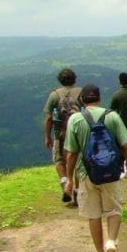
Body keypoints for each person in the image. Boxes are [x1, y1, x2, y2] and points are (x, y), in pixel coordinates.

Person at [64, 84, 127, 252]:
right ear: (99, 98)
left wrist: (69, 179)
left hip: (87, 174)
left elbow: (70, 153)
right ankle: (111, 242)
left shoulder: (75, 120)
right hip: (111, 173)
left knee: (93, 215)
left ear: (82, 100)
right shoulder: (111, 116)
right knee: (114, 210)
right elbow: (126, 145)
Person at [42, 68, 81, 203]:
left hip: (60, 133)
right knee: (78, 163)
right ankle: (77, 191)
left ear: (60, 80)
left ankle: (65, 184)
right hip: (78, 134)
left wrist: (47, 136)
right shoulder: (81, 93)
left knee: (59, 160)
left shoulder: (55, 95)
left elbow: (48, 118)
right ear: (74, 79)